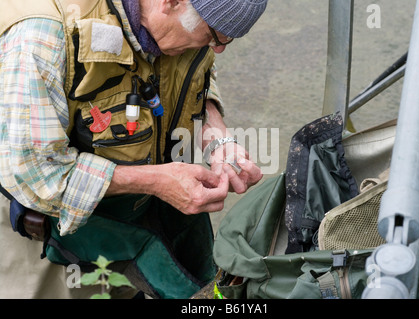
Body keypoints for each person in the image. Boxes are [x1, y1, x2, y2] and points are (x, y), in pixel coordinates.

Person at [0, 0, 266, 299]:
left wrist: (217, 140)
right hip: (46, 235)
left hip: (128, 226)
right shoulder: (42, 34)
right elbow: (37, 173)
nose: (218, 49)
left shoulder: (181, 28)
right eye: (215, 35)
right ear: (172, 2)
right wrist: (156, 181)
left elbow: (197, 76)